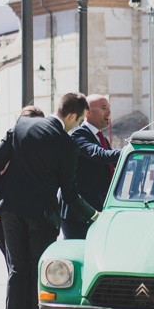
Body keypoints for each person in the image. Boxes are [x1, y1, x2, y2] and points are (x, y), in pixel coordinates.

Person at [0, 99, 80, 309]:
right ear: (72, 116)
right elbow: (68, 192)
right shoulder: (67, 144)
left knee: (17, 271)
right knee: (41, 274)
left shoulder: (20, 126)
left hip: (11, 211)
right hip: (41, 215)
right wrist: (92, 214)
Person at [63, 92, 117, 238]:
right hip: (78, 213)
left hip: (97, 210)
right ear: (87, 113)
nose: (109, 112)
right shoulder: (79, 134)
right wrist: (130, 150)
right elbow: (101, 156)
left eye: (109, 108)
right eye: (103, 108)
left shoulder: (101, 138)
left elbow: (113, 162)